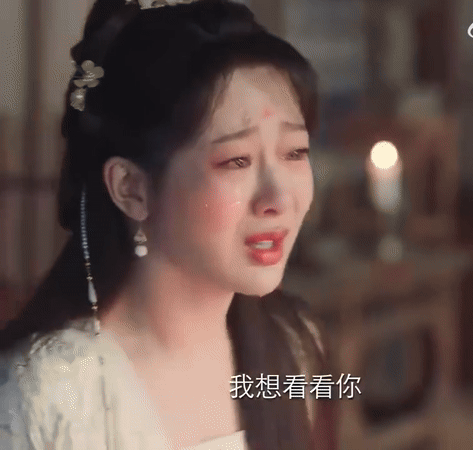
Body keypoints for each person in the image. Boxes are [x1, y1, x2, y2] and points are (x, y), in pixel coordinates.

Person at [0, 0, 335, 448]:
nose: (279, 199)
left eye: (295, 153)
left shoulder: (292, 344)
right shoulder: (49, 396)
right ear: (131, 189)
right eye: (237, 161)